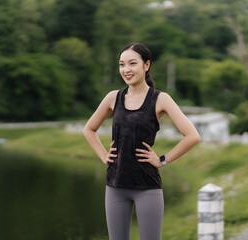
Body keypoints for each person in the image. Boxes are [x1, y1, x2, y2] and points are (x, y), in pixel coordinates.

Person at [83, 43, 200, 240]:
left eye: (132, 63)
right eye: (121, 64)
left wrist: (162, 160)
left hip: (147, 187)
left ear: (146, 65)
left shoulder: (161, 99)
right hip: (115, 185)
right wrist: (104, 155)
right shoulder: (113, 97)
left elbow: (192, 136)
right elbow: (89, 129)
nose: (126, 70)